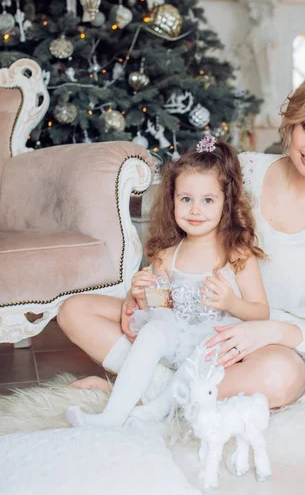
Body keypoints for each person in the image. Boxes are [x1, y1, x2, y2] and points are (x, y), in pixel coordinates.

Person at [58, 66, 305, 411]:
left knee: (278, 376)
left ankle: (146, 388)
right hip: (191, 317)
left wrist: (266, 332)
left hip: (271, 344)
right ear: (292, 121)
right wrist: (143, 297)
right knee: (75, 310)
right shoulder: (246, 170)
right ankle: (161, 389)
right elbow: (182, 236)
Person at [65, 136, 269, 428]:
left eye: (208, 200)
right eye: (186, 199)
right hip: (175, 334)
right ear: (172, 200)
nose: (195, 210)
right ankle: (112, 416)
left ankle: (159, 409)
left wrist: (232, 303)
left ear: (226, 203)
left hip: (211, 344)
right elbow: (166, 304)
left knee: (210, 347)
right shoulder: (166, 254)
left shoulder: (236, 253)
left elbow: (262, 311)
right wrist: (142, 294)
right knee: (154, 331)